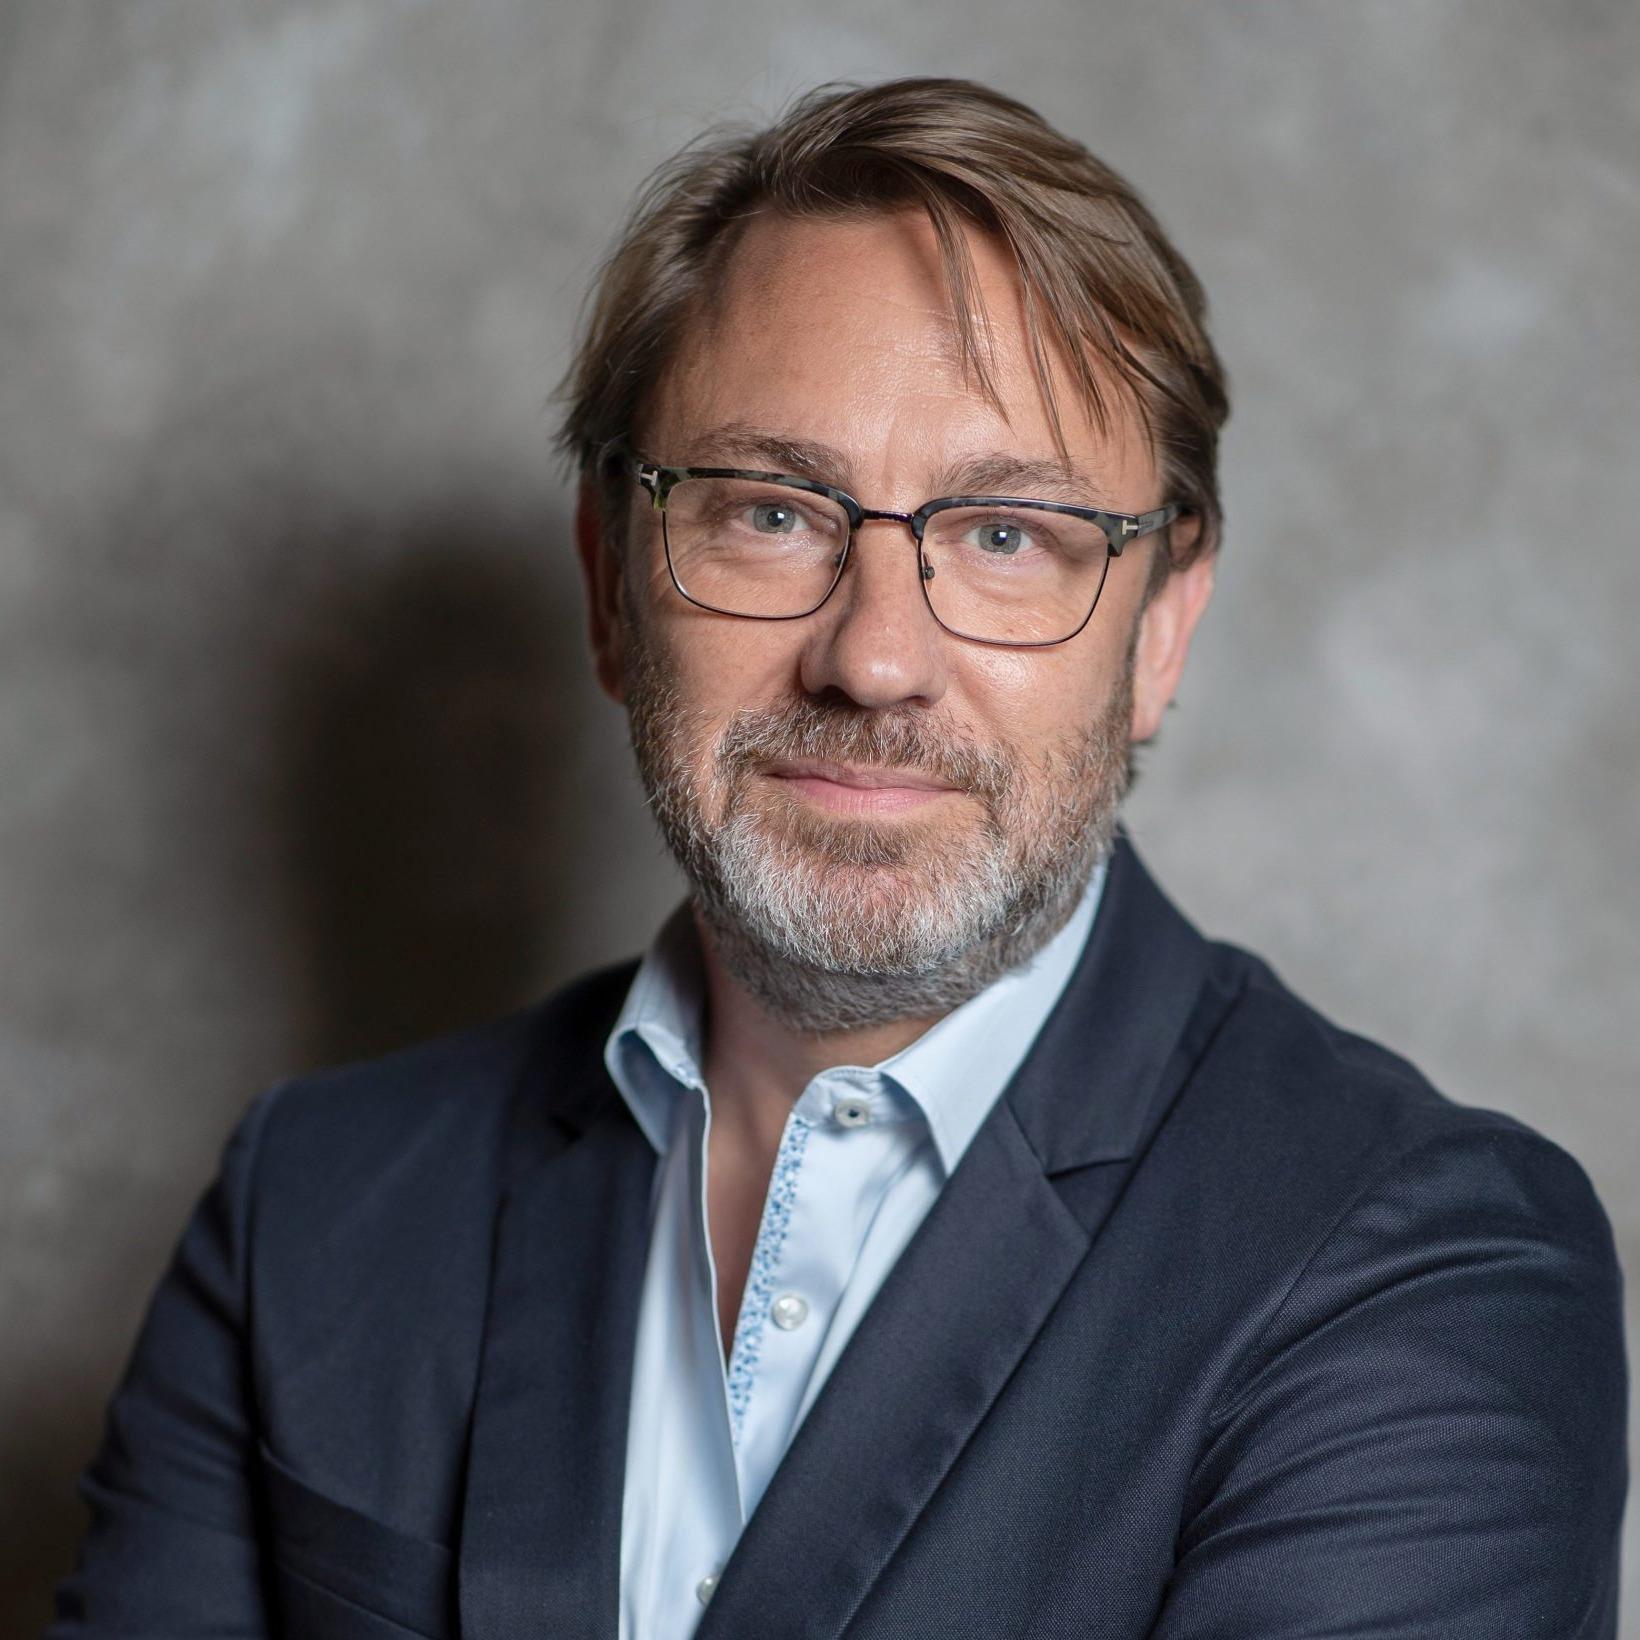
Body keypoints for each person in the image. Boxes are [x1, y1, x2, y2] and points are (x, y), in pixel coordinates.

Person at [50, 78, 1626, 1640]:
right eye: (771, 514)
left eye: (1007, 535)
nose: (873, 661)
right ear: (611, 587)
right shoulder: (314, 1207)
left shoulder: (1422, 1274)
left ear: (1160, 631)